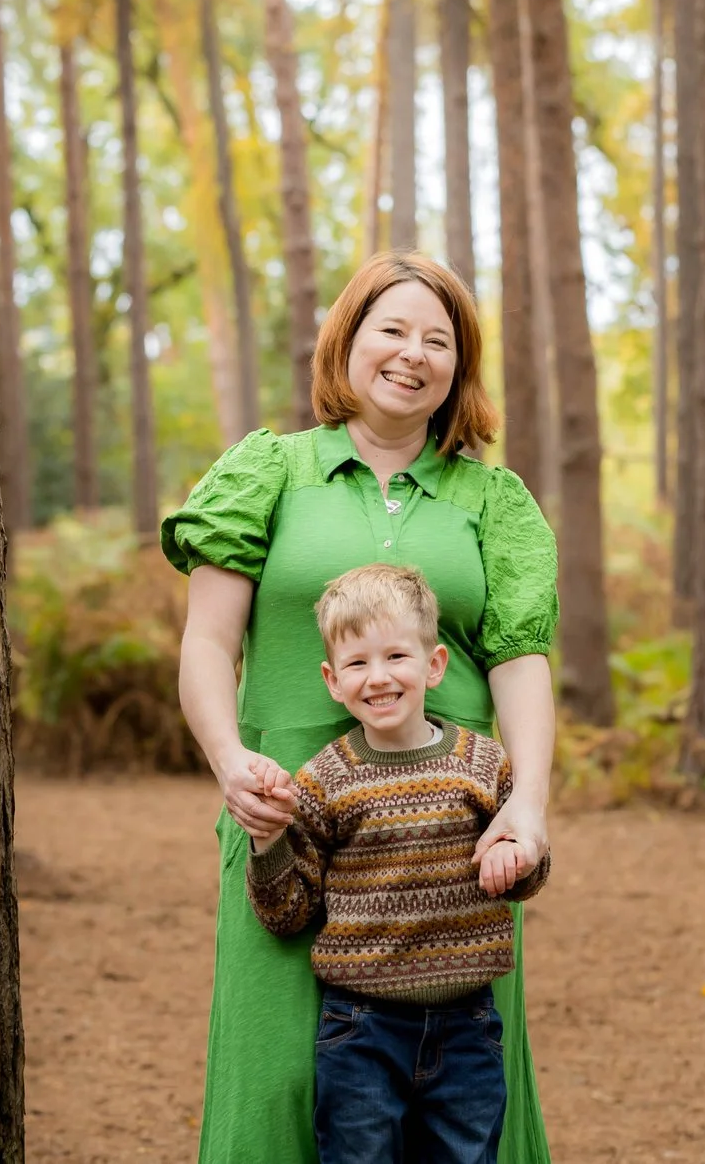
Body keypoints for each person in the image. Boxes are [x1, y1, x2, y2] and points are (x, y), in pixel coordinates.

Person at [164, 250, 559, 1164]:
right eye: (393, 328)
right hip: (284, 823)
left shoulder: (491, 500)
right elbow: (207, 643)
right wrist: (232, 767)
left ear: (459, 368)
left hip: (450, 838)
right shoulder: (269, 470)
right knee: (279, 1082)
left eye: (439, 340)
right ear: (347, 339)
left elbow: (520, 661)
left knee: (459, 1106)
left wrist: (526, 803)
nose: (413, 353)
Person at [245, 564, 550, 1164]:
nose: (378, 678)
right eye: (358, 664)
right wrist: (268, 839)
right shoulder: (325, 780)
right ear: (332, 681)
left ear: (433, 665)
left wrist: (517, 856)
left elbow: (533, 873)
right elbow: (287, 914)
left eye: (395, 657)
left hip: (469, 1026)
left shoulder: (483, 765)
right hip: (360, 1030)